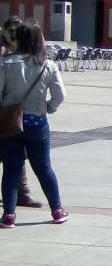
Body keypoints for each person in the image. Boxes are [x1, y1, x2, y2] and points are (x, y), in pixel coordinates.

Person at [0, 21, 69, 228]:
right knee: (44, 168)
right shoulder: (48, 65)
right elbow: (60, 95)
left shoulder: (6, 63)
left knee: (11, 169)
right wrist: (48, 107)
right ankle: (57, 210)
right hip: (37, 123)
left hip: (10, 122)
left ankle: (9, 215)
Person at [0, 17, 44, 210]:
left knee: (15, 157)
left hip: (11, 114)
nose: (12, 35)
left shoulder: (21, 53)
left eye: (15, 32)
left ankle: (22, 193)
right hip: (5, 111)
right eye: (10, 31)